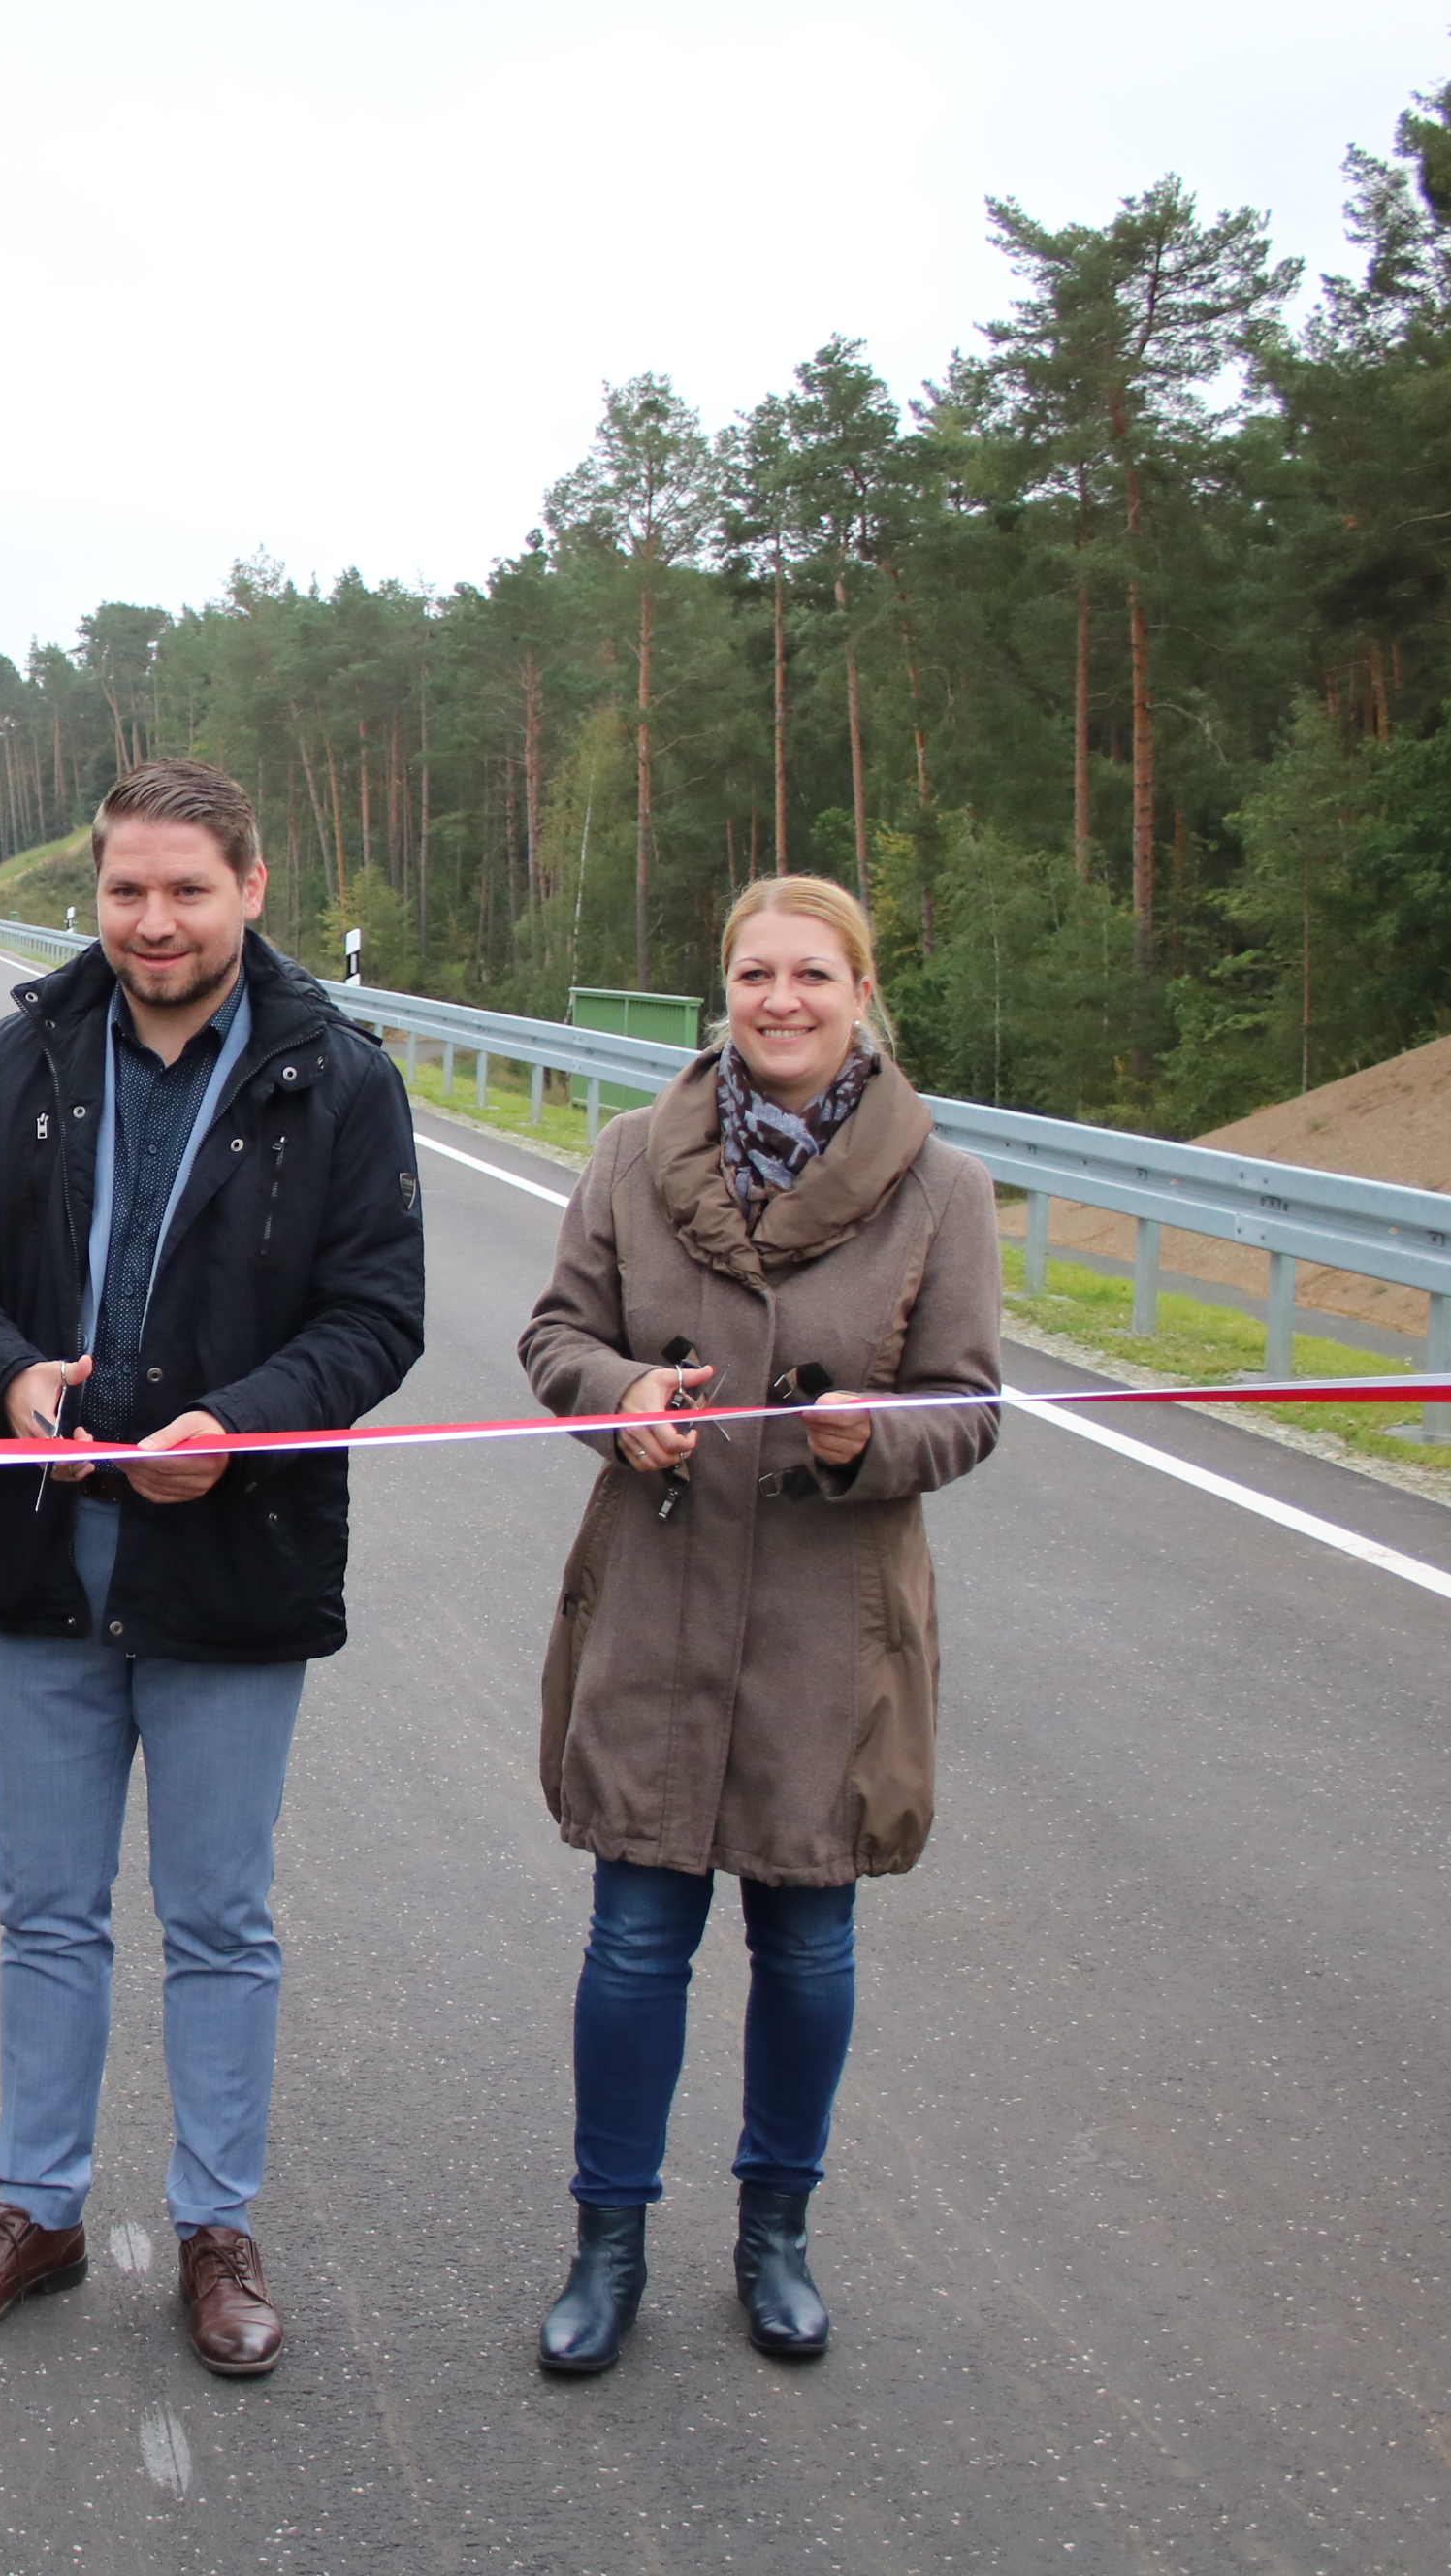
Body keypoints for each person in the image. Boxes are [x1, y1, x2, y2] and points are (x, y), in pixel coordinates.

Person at [0, 757, 425, 2378]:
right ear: (96, 895)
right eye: (127, 889)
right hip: (48, 1551)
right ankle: (35, 2211)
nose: (154, 920)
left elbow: (375, 1315)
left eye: (188, 889)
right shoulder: (27, 1050)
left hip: (234, 1558)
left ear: (251, 890)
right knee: (45, 1911)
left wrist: (241, 1424)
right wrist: (8, 1377)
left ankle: (216, 2229)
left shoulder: (336, 1077)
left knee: (220, 1920)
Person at [516, 873, 1002, 2375]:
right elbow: (554, 1338)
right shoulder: (625, 1157)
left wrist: (872, 1440)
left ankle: (774, 2234)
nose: (778, 1001)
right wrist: (619, 1403)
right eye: (751, 977)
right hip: (657, 1599)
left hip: (827, 1619)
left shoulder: (942, 1187)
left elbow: (970, 1403)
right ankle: (608, 2246)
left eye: (809, 975)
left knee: (807, 1939)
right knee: (635, 1937)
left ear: (862, 991)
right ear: (719, 991)